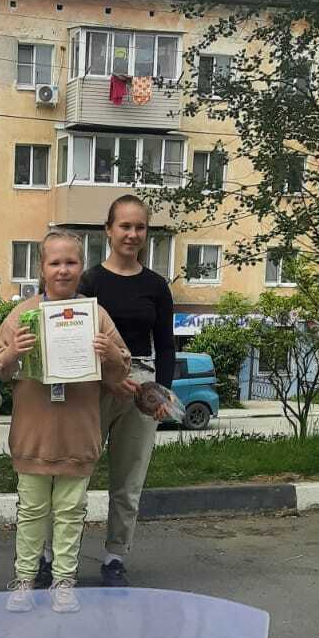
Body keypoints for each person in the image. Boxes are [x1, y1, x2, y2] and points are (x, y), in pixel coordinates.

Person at [0, 231, 129, 614]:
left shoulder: (95, 315)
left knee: (71, 513)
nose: (63, 270)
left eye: (70, 262)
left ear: (81, 267)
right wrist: (12, 353)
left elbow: (121, 373)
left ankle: (64, 582)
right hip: (33, 437)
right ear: (41, 268)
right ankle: (24, 579)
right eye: (55, 263)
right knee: (31, 511)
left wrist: (111, 355)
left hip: (77, 437)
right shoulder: (24, 313)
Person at [80, 195, 175, 588]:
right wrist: (106, 377)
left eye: (140, 227)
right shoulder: (89, 281)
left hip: (140, 383)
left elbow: (166, 344)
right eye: (125, 226)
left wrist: (162, 394)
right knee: (74, 473)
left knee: (128, 479)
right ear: (108, 230)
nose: (133, 234)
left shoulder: (155, 286)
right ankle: (54, 554)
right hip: (92, 381)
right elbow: (74, 339)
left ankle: (116, 556)